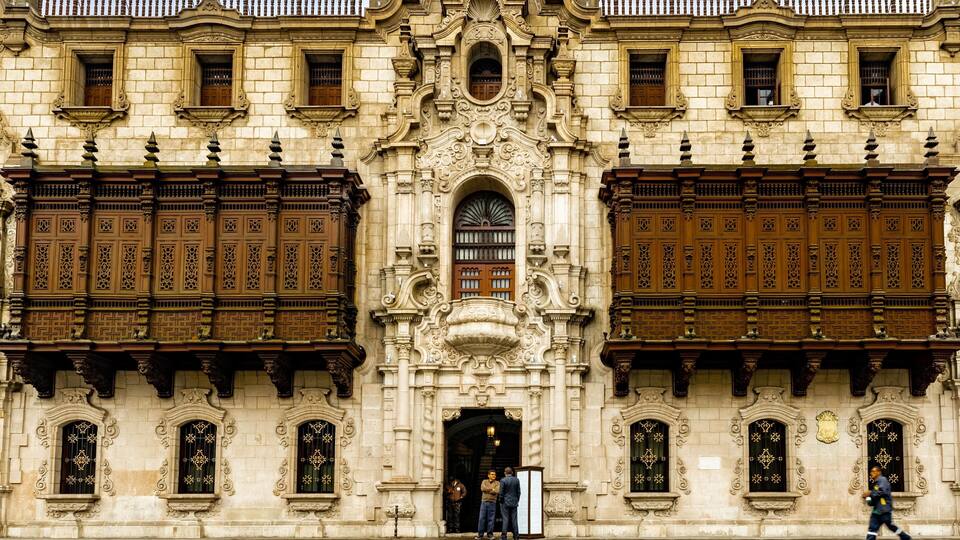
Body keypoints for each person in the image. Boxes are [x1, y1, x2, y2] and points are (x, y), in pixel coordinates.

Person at [862, 465, 911, 540]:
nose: (871, 473)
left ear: (879, 472)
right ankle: (905, 536)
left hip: (884, 510)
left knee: (891, 526)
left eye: (873, 471)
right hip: (877, 511)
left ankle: (905, 537)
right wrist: (867, 498)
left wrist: (870, 493)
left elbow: (882, 491)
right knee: (873, 529)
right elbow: (872, 501)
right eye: (871, 471)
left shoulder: (882, 480)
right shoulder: (876, 484)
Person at [476, 469, 500, 540]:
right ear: (488, 475)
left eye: (495, 474)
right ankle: (480, 535)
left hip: (492, 503)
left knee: (491, 519)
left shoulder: (497, 483)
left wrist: (489, 490)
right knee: (481, 519)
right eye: (492, 474)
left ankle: (490, 535)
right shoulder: (484, 481)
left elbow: (497, 490)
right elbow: (483, 488)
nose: (494, 476)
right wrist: (492, 489)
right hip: (484, 502)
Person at [499, 467, 521, 540]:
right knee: (514, 519)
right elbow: (519, 492)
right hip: (514, 502)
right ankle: (516, 536)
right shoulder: (516, 480)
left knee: (505, 519)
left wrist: (501, 501)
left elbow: (501, 493)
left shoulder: (503, 480)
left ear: (505, 473)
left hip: (505, 502)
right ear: (512, 472)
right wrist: (517, 500)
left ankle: (504, 536)